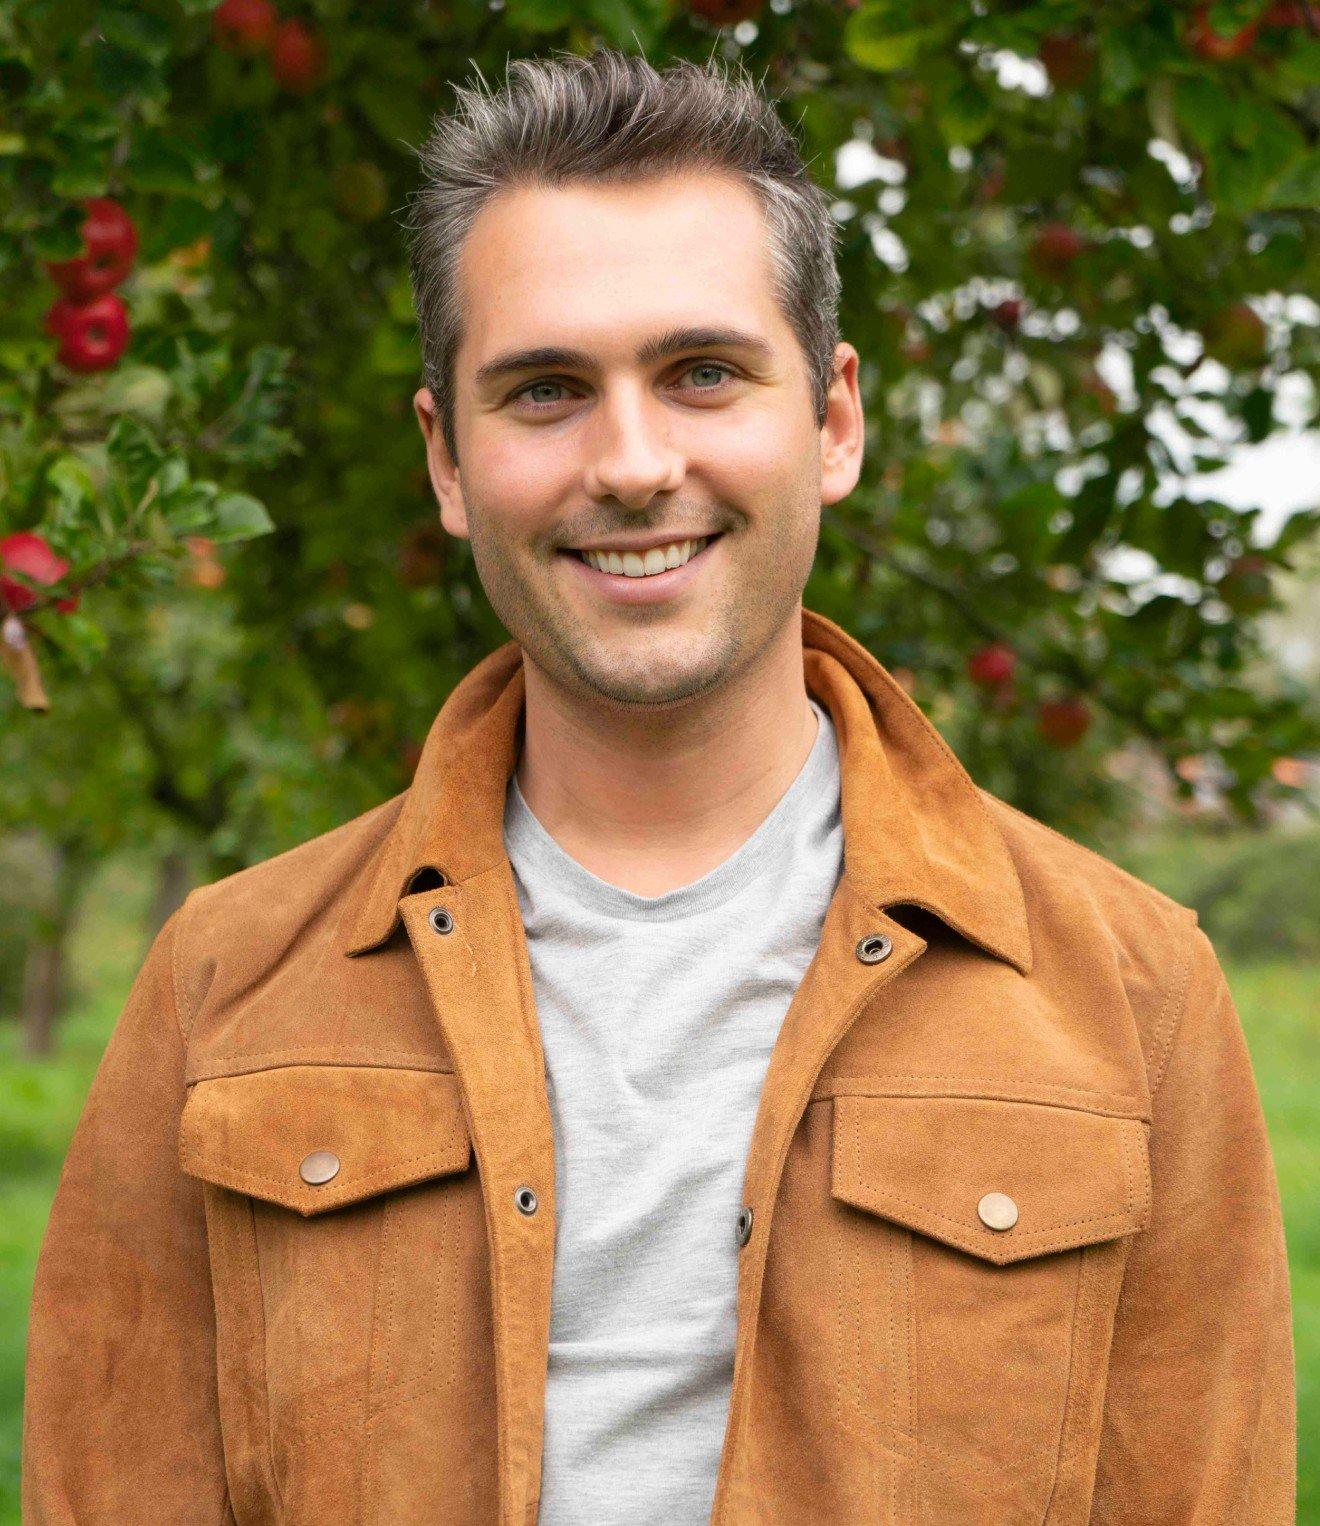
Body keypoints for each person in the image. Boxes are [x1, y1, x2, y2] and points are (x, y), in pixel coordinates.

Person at [23, 48, 1294, 1525]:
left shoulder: (1132, 998)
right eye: (547, 389)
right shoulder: (224, 987)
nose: (631, 464)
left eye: (702, 372)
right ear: (447, 460)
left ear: (832, 420)